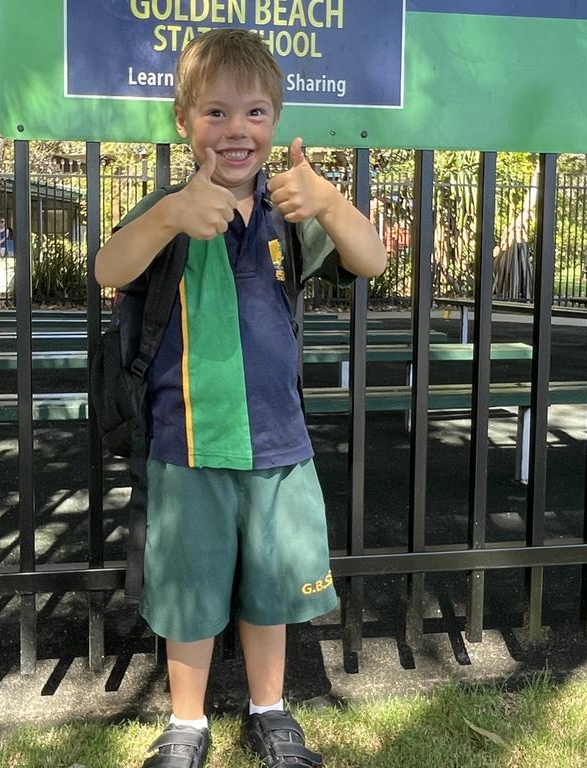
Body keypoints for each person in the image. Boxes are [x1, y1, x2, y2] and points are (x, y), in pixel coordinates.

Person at [94, 29, 386, 768]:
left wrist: (329, 199)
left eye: (255, 113)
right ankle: (187, 724)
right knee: (189, 597)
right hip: (185, 442)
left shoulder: (292, 208)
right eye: (216, 113)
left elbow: (372, 257)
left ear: (276, 123)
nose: (237, 130)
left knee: (270, 592)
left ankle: (270, 710)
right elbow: (107, 266)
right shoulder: (169, 209)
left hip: (278, 443)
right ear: (184, 122)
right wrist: (166, 217)